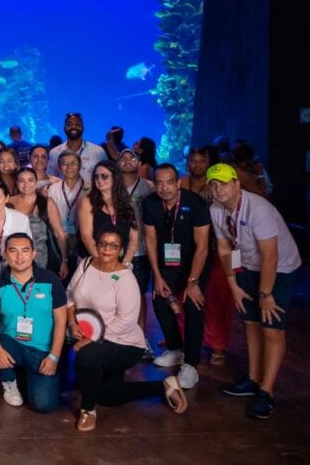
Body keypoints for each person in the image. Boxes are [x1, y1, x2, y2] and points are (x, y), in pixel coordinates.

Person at [67, 229, 188, 431]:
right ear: (96, 245)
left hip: (123, 343)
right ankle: (164, 385)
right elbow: (69, 294)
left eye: (113, 246)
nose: (107, 249)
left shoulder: (125, 279)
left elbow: (126, 322)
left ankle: (88, 410)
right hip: (90, 333)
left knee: (86, 356)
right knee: (109, 397)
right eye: (103, 243)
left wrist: (92, 339)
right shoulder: (86, 264)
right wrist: (72, 323)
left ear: (120, 250)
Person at [209, 164, 301, 419]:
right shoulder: (217, 209)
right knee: (250, 322)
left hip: (278, 268)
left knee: (271, 328)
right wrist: (234, 286)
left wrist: (266, 294)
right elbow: (226, 249)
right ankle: (252, 378)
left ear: (237, 184)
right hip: (248, 265)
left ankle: (266, 391)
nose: (219, 189)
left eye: (224, 183)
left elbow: (271, 256)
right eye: (214, 184)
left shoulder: (257, 208)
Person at [143, 163, 211, 388]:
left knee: (193, 304)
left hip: (196, 261)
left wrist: (193, 281)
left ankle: (191, 365)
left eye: (169, 182)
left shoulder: (194, 203)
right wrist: (157, 276)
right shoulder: (150, 204)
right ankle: (176, 348)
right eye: (159, 182)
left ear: (178, 183)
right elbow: (151, 241)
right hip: (167, 263)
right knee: (159, 299)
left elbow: (202, 246)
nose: (164, 187)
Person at [0, 233, 67, 412]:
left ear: (34, 254)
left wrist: (54, 357)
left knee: (44, 405)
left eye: (25, 251)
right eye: (13, 251)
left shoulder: (51, 280)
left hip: (42, 351)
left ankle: (26, 376)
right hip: (11, 344)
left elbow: (61, 321)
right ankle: (9, 381)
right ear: (5, 254)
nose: (19, 257)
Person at [181, 146, 230, 365]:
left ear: (209, 162)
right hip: (189, 248)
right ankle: (183, 338)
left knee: (218, 297)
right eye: (193, 160)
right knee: (183, 291)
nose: (197, 165)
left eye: (202, 161)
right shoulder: (181, 183)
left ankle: (217, 345)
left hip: (219, 248)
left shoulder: (218, 186)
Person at [118, 147, 156, 353]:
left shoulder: (149, 187)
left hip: (141, 250)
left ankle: (141, 338)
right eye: (122, 157)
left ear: (139, 162)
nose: (126, 160)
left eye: (131, 157)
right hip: (116, 250)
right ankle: (118, 338)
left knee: (139, 294)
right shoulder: (112, 186)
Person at [9, 168, 68, 279]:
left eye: (31, 180)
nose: (26, 184)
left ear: (36, 182)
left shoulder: (47, 202)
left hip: (40, 258)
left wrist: (64, 261)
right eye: (22, 181)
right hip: (13, 258)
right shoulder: (9, 202)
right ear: (16, 183)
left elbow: (59, 233)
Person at [77, 161, 138, 269]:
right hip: (94, 262)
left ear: (115, 178)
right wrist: (105, 264)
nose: (99, 180)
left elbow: (133, 239)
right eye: (96, 176)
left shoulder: (127, 203)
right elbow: (86, 237)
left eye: (104, 176)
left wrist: (125, 263)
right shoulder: (88, 202)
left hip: (120, 264)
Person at [47, 150, 86, 270]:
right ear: (59, 167)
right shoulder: (53, 189)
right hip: (59, 238)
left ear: (80, 165)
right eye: (65, 163)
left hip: (83, 241)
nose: (69, 167)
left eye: (73, 163)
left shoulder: (89, 188)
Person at [46, 113, 107, 183]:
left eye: (78, 125)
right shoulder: (54, 152)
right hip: (63, 193)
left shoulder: (98, 151)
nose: (73, 126)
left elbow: (106, 175)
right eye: (70, 124)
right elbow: (50, 178)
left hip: (91, 193)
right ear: (64, 128)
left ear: (83, 128)